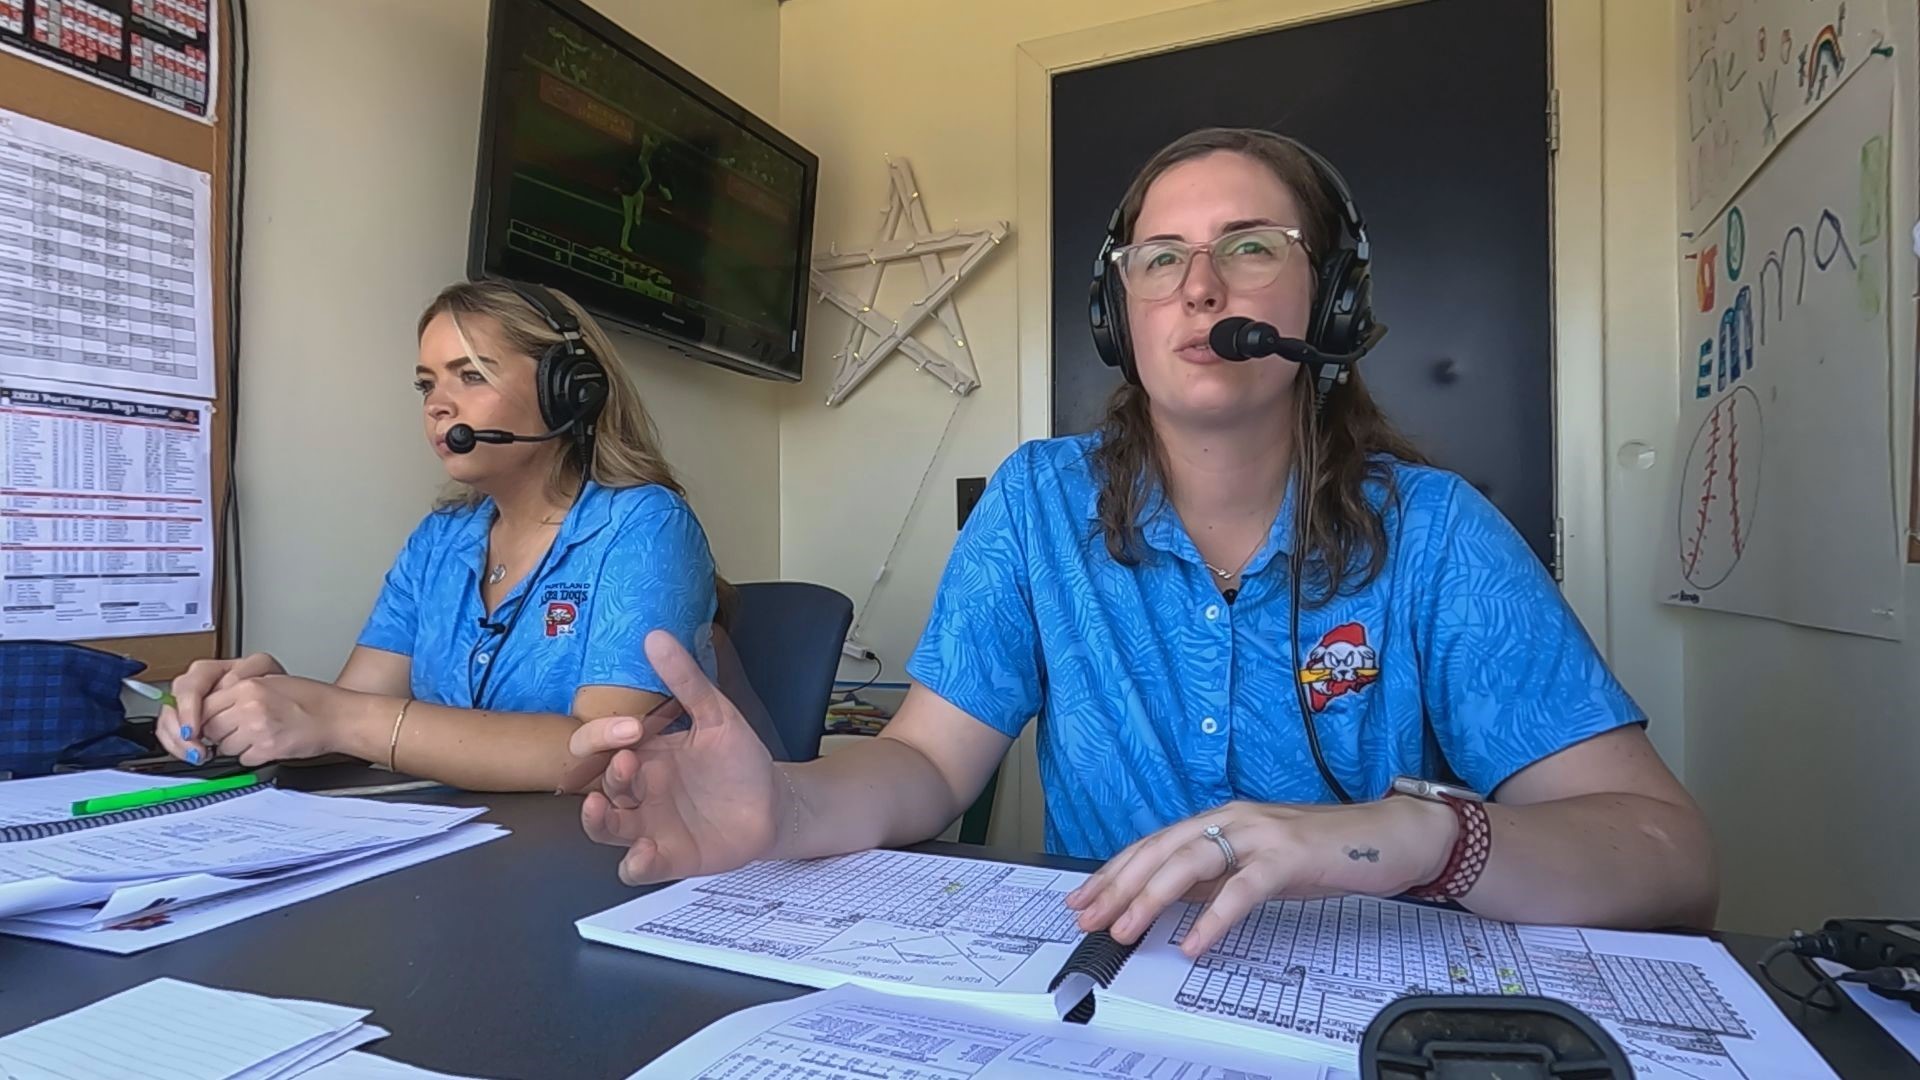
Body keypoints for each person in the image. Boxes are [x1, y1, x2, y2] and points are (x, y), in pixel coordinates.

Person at [571, 128, 1719, 948]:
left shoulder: (1439, 534)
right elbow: (926, 765)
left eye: (1253, 244)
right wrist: (788, 805)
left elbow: (1671, 859)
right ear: (1117, 314)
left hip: (1363, 999)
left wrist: (1416, 837)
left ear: (1332, 302)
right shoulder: (1033, 507)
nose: (1197, 283)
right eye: (1157, 257)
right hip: (1107, 993)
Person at [153, 280, 722, 792]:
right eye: (427, 384)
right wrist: (265, 706)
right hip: (462, 846)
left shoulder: (645, 523)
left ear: (570, 392)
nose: (437, 405)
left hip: (615, 849)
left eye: (471, 375)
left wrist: (336, 716)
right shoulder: (439, 541)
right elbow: (354, 713)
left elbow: (597, 752)